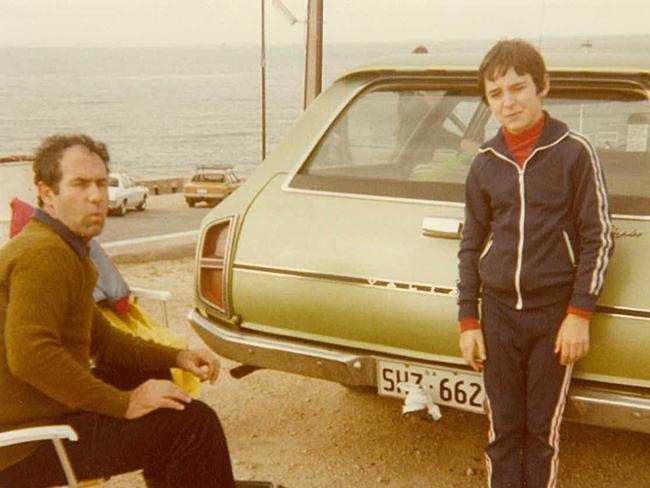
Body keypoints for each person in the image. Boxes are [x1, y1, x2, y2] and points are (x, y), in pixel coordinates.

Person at [0, 134, 235, 487]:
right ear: (47, 193)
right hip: (24, 445)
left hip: (38, 415)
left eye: (100, 183)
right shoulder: (44, 255)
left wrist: (176, 357)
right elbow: (31, 355)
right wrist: (124, 404)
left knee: (153, 383)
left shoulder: (64, 249)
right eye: (79, 184)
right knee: (192, 425)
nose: (96, 196)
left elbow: (103, 340)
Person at [457, 40, 613, 488]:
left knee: (541, 432)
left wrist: (579, 315)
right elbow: (471, 243)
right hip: (498, 316)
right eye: (496, 94)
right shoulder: (485, 163)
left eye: (518, 87)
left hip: (553, 317)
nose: (508, 102)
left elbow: (598, 238)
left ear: (542, 86)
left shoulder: (574, 152)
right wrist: (469, 319)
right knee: (503, 430)